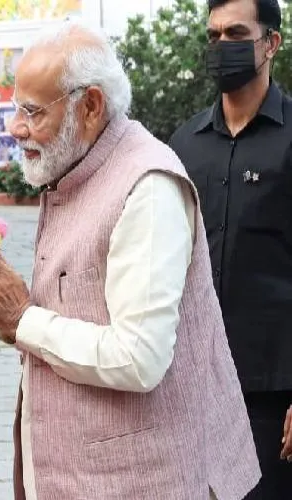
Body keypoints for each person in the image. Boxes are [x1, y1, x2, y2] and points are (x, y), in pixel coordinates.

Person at [0, 22, 260, 499]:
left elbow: (139, 359)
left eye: (32, 111)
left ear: (90, 106)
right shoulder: (78, 169)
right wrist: (16, 318)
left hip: (146, 481)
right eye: (16, 109)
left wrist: (23, 318)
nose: (16, 128)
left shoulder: (146, 187)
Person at [168, 0, 292, 495]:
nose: (222, 46)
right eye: (214, 36)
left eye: (236, 34)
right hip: (191, 383)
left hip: (270, 391)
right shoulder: (184, 144)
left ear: (271, 43)